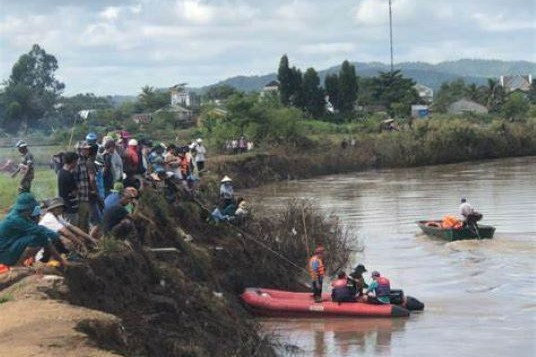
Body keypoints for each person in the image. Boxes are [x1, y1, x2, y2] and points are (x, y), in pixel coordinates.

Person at [0, 193, 67, 267]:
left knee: (41, 237)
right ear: (29, 209)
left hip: (9, 246)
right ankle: (17, 264)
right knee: (38, 237)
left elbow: (38, 229)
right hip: (5, 254)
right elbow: (39, 230)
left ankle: (58, 260)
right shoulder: (16, 219)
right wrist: (58, 236)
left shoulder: (20, 215)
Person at [57, 152, 79, 225]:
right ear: (73, 162)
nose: (76, 164)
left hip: (64, 205)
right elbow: (74, 193)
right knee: (73, 227)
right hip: (71, 207)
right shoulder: (69, 175)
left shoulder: (61, 172)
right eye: (76, 162)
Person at [74, 141, 91, 233]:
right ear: (80, 150)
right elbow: (75, 181)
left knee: (86, 222)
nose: (88, 150)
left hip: (86, 195)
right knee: (81, 222)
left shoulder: (85, 161)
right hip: (81, 197)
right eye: (86, 149)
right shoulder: (78, 162)